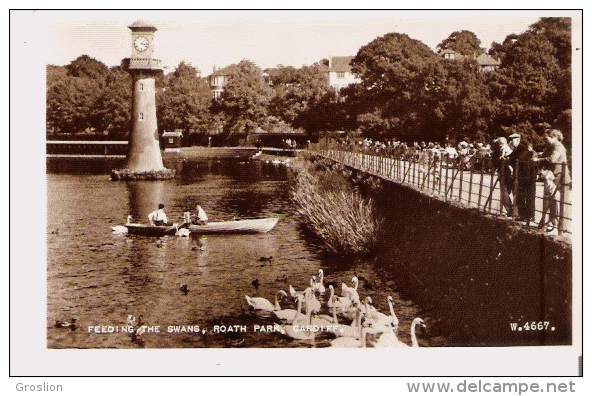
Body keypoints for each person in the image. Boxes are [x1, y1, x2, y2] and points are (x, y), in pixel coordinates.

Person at [536, 129, 571, 233]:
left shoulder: (558, 146)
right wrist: (538, 157)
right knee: (552, 200)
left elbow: (552, 159)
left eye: (546, 138)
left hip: (561, 177)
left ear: (554, 137)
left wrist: (539, 160)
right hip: (553, 176)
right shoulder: (550, 146)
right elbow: (543, 156)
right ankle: (553, 224)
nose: (544, 141)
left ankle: (560, 226)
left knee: (559, 201)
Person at [507, 133, 537, 223]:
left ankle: (530, 216)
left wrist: (510, 160)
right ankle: (523, 215)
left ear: (517, 140)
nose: (510, 142)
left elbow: (518, 158)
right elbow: (511, 157)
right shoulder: (517, 149)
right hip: (522, 176)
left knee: (529, 196)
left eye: (511, 140)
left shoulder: (523, 148)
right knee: (520, 195)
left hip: (528, 176)